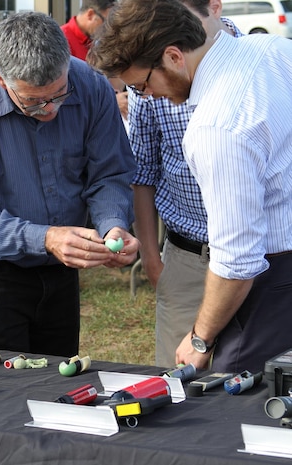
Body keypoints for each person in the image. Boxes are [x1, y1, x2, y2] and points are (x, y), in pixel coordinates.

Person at [89, 0, 292, 372]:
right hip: (263, 269)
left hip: (264, 283)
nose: (144, 97)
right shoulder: (274, 49)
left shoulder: (217, 127)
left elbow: (236, 261)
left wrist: (200, 338)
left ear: (172, 56)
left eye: (142, 84)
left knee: (230, 410)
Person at [0, 12, 138, 356]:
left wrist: (113, 225)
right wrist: (45, 238)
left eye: (59, 94)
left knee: (57, 375)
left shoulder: (91, 87)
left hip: (59, 267)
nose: (50, 111)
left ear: (67, 68)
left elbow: (109, 173)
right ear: (2, 79)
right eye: (33, 102)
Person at [127, 0, 242, 367]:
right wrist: (151, 258)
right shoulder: (151, 71)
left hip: (260, 262)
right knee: (179, 393)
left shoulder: (254, 60)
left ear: (214, 6)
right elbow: (142, 169)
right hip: (189, 256)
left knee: (258, 388)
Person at [60, 0, 128, 125]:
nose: (108, 29)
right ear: (91, 14)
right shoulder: (61, 41)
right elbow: (65, 92)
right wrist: (112, 100)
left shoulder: (96, 40)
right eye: (106, 23)